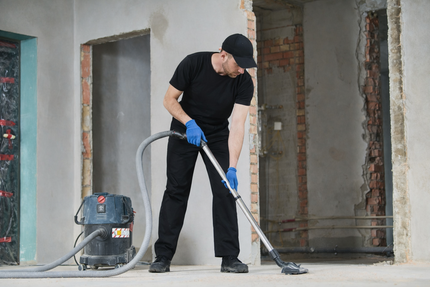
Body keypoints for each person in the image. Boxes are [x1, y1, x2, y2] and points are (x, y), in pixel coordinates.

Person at [149, 34, 256, 274]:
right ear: (223, 54)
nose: (241, 69)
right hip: (185, 129)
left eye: (245, 65)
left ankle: (230, 257)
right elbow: (169, 99)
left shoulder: (244, 81)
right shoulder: (193, 64)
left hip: (217, 133)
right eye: (237, 63)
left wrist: (233, 167)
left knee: (226, 190)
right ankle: (163, 256)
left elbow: (238, 125)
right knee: (176, 190)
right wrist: (189, 122)